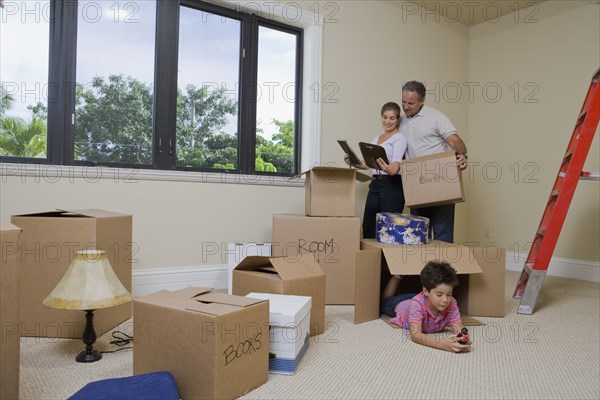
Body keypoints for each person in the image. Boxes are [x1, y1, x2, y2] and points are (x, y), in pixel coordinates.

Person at [400, 81, 468, 243]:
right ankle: (420, 269)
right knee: (416, 236)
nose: (406, 106)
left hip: (440, 184)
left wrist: (463, 155)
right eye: (403, 101)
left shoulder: (436, 117)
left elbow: (454, 140)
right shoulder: (400, 121)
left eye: (411, 103)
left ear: (422, 100)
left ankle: (442, 269)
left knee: (443, 235)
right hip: (416, 186)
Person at [343, 102, 407, 239]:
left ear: (397, 120)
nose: (387, 121)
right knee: (368, 226)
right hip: (375, 184)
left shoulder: (399, 138)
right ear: (381, 118)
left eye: (392, 118)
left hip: (391, 185)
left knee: (389, 228)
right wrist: (353, 162)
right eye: (385, 117)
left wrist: (387, 167)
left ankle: (387, 260)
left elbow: (395, 166)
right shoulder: (376, 139)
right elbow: (368, 164)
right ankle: (370, 259)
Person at [380, 261, 472, 353]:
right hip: (402, 305)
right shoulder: (416, 305)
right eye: (439, 295)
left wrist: (462, 337)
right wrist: (442, 344)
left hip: (423, 299)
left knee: (419, 298)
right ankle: (397, 276)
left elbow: (458, 327)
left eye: (449, 294)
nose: (445, 300)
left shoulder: (451, 303)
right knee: (384, 302)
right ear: (426, 291)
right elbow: (416, 335)